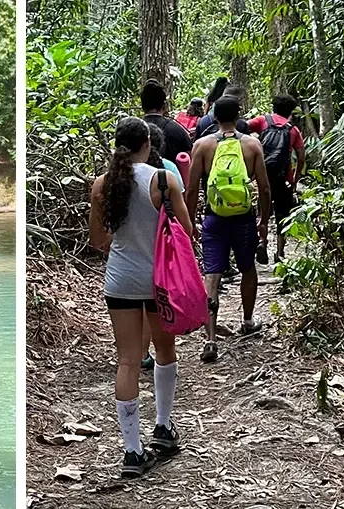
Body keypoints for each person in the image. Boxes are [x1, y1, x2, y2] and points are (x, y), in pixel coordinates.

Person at [89, 117, 191, 477]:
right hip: (159, 280)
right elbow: (186, 229)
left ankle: (132, 451)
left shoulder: (102, 184)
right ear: (148, 142)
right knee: (165, 351)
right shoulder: (164, 180)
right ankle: (163, 427)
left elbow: (98, 240)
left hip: (119, 280)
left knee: (128, 361)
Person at [186, 96, 271, 363]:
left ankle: (210, 339)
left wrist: (191, 223)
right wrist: (264, 221)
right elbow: (265, 188)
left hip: (214, 218)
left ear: (213, 115)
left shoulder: (201, 145)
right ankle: (247, 320)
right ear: (239, 115)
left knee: (212, 275)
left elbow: (191, 189)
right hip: (244, 219)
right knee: (248, 269)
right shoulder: (252, 144)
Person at [140, 124, 184, 370]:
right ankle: (162, 354)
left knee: (142, 308)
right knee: (158, 305)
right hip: (163, 254)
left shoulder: (119, 175)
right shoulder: (168, 171)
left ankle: (144, 352)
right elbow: (182, 217)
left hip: (129, 263)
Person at [248, 94, 306, 262]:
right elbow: (301, 157)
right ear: (290, 112)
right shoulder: (293, 130)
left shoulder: (262, 121)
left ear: (273, 107)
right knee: (283, 214)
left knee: (264, 211)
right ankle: (280, 252)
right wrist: (295, 178)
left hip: (263, 176)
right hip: (284, 178)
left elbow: (241, 130)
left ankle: (262, 241)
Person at [141, 79, 193, 162]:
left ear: (142, 105)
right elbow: (189, 158)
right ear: (164, 105)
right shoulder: (177, 130)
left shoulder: (133, 130)